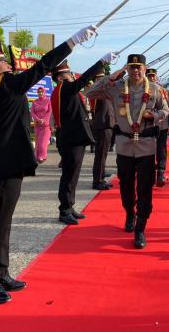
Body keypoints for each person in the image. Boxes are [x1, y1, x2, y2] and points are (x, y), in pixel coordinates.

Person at [0, 26, 96, 304]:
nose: (9, 66)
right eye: (2, 63)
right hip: (1, 168)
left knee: (3, 225)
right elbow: (41, 68)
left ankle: (1, 273)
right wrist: (71, 42)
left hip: (6, 165)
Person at [86, 54, 169, 249]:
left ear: (145, 67)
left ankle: (140, 227)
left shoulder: (156, 90)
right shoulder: (115, 88)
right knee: (126, 187)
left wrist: (154, 115)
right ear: (127, 68)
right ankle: (129, 214)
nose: (135, 71)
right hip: (124, 144)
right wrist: (113, 75)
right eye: (131, 67)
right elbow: (89, 92)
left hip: (147, 145)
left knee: (145, 188)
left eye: (139, 67)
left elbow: (165, 111)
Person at [51, 54, 116, 225]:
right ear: (60, 78)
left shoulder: (65, 90)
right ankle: (64, 210)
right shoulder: (64, 88)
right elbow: (84, 79)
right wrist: (101, 62)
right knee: (69, 175)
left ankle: (69, 206)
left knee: (73, 176)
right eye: (68, 73)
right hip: (71, 139)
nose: (72, 75)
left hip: (75, 138)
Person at [90, 71, 115, 190]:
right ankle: (97, 180)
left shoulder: (105, 92)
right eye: (101, 79)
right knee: (100, 155)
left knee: (103, 154)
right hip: (102, 126)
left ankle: (101, 176)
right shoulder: (97, 92)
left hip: (107, 125)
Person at [146, 68, 169, 187]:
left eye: (153, 76)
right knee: (148, 149)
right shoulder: (142, 90)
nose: (151, 78)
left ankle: (160, 173)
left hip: (161, 124)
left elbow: (168, 108)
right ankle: (148, 173)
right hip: (147, 125)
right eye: (149, 76)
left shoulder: (163, 90)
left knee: (161, 149)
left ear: (156, 77)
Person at [30, 86, 52, 163]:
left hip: (46, 125)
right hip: (37, 124)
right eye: (39, 92)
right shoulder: (34, 102)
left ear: (44, 92)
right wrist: (38, 120)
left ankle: (42, 156)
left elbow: (49, 112)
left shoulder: (48, 101)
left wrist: (44, 120)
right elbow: (32, 112)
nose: (40, 93)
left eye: (42, 92)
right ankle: (37, 156)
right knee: (38, 142)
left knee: (43, 142)